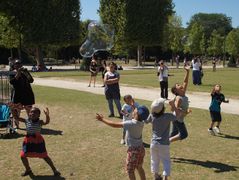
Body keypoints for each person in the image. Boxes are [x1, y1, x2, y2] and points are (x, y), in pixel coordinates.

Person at [96, 105, 149, 180]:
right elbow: (136, 116)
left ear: (136, 114)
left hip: (134, 151)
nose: (133, 111)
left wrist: (102, 119)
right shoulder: (141, 122)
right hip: (141, 149)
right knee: (139, 167)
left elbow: (114, 124)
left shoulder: (131, 123)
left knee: (130, 171)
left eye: (135, 110)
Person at [11, 106, 60, 177]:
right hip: (28, 141)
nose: (32, 113)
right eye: (31, 112)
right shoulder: (27, 120)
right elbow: (16, 118)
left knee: (44, 156)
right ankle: (28, 170)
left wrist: (47, 116)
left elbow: (46, 122)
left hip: (38, 141)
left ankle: (55, 170)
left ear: (39, 115)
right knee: (23, 156)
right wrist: (13, 110)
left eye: (35, 112)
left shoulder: (39, 122)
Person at [144, 98, 177, 180]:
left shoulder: (152, 116)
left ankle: (156, 176)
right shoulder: (167, 116)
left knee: (154, 160)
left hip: (153, 143)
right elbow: (175, 116)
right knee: (166, 161)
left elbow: (146, 121)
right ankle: (165, 177)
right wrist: (173, 105)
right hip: (164, 144)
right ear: (163, 109)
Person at [169, 65, 191, 142]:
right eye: (178, 85)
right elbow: (174, 110)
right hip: (177, 119)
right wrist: (184, 111)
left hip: (177, 118)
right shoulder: (178, 98)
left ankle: (163, 143)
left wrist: (187, 71)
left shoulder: (183, 92)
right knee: (184, 134)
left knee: (173, 133)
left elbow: (185, 81)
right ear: (175, 91)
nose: (180, 85)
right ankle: (167, 142)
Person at [10, 60, 35, 127]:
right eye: (16, 64)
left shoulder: (25, 72)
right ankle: (17, 124)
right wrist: (18, 73)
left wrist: (26, 73)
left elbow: (31, 80)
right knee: (17, 111)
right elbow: (12, 82)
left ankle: (31, 124)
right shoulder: (12, 73)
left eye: (19, 64)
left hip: (27, 94)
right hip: (17, 95)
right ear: (14, 65)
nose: (18, 65)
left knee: (29, 110)